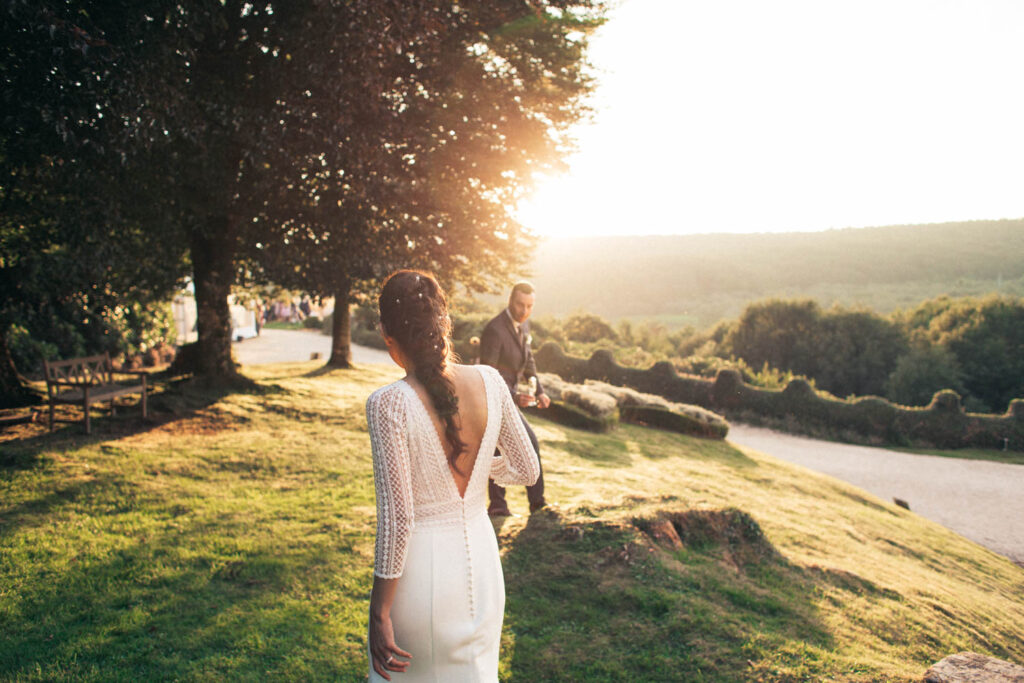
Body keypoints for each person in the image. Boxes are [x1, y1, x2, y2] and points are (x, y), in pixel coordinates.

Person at [365, 270, 540, 681]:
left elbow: (398, 521)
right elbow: (527, 468)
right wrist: (480, 468)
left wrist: (379, 612)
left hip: (420, 582)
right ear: (445, 325)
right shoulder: (492, 382)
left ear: (389, 337)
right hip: (481, 567)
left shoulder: (388, 404)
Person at [479, 281, 550, 516]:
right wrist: (513, 396)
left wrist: (539, 390)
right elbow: (489, 373)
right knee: (529, 443)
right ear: (511, 301)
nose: (524, 311)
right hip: (496, 398)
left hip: (508, 398)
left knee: (498, 450)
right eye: (520, 305)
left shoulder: (524, 326)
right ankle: (536, 504)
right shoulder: (495, 329)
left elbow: (528, 360)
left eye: (529, 306)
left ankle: (499, 505)